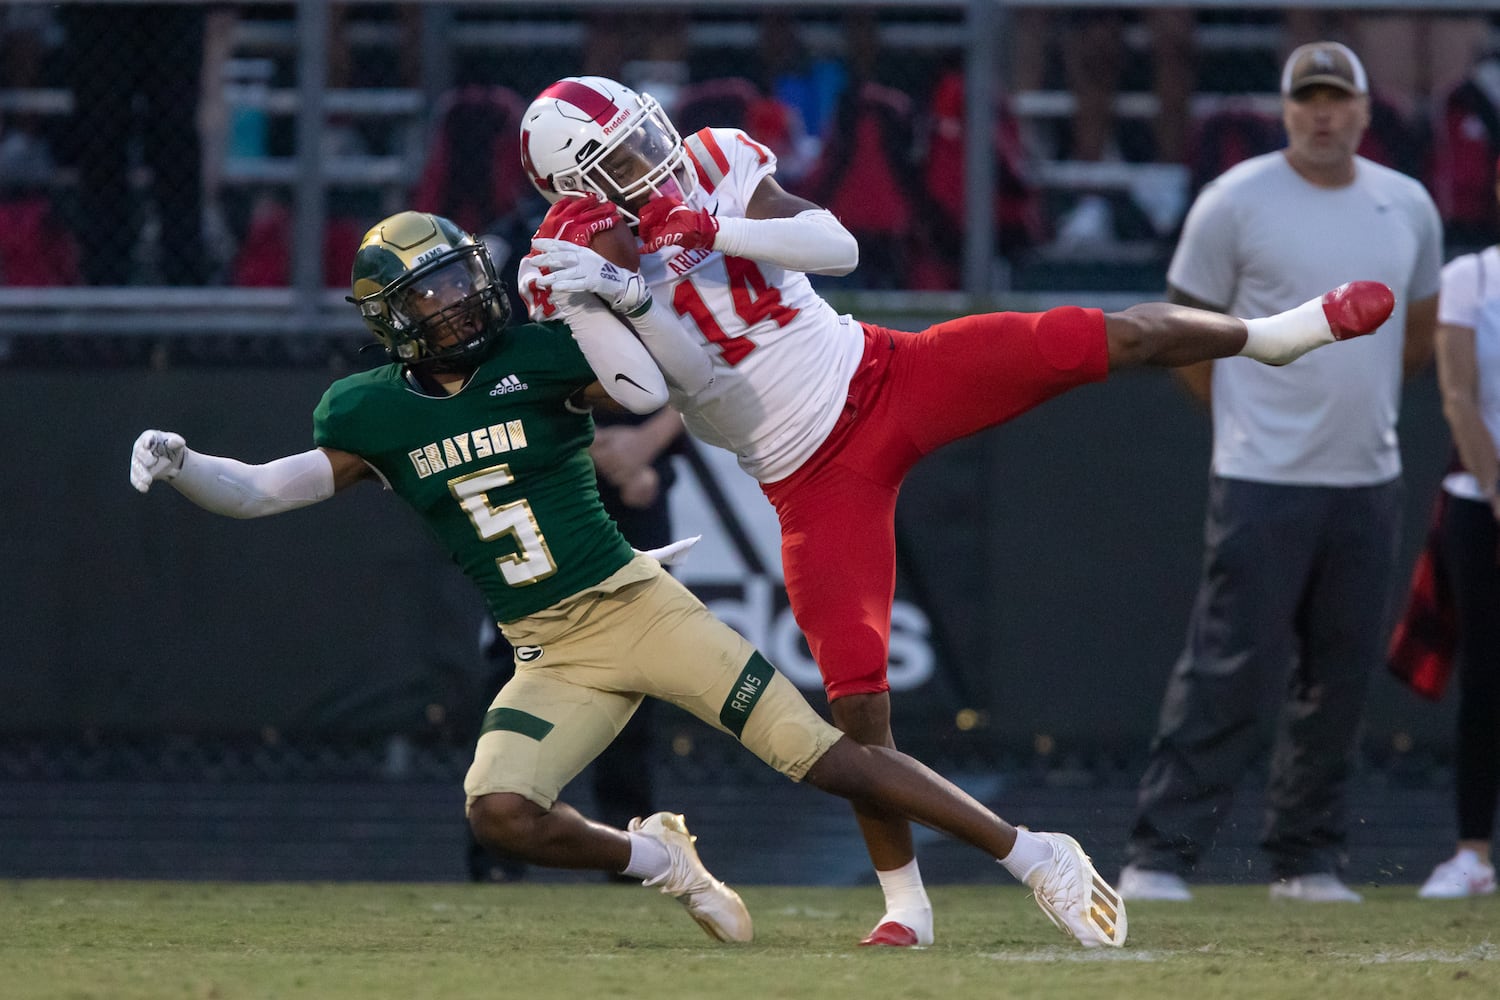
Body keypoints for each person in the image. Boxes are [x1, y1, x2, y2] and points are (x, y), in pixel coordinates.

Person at [515, 74, 1397, 946]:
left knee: (1098, 335)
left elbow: (837, 246)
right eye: (619, 154)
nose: (650, 155)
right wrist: (616, 292)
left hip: (885, 374)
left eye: (643, 131)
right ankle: (906, 904)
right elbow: (671, 389)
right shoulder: (575, 265)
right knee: (857, 714)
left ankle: (1277, 337)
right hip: (808, 479)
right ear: (574, 185)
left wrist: (716, 226)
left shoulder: (713, 159)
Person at [129, 207, 1130, 950]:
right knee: (499, 812)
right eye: (428, 293)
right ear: (391, 319)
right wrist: (185, 467)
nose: (458, 300)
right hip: (547, 650)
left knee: (822, 757)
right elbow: (264, 491)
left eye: (459, 277)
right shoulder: (368, 412)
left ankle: (1033, 851)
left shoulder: (540, 352)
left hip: (637, 606)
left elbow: (673, 385)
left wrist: (627, 303)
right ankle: (660, 859)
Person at [1114, 41, 1442, 904]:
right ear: (1285, 109)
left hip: (1367, 478)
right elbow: (1182, 328)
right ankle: (1159, 857)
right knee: (1229, 668)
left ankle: (1307, 859)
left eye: (1338, 100)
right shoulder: (1235, 201)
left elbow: (1418, 333)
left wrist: (1354, 407)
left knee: (1338, 677)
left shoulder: (1406, 205)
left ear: (1368, 112)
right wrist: (1239, 420)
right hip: (1262, 476)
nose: (1324, 115)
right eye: (1309, 100)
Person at [469, 405, 684, 883]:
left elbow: (705, 372)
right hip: (533, 496)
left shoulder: (661, 326)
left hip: (637, 493)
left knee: (636, 664)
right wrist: (596, 450)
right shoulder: (514, 327)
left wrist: (644, 444)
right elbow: (495, 391)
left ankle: (632, 849)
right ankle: (498, 847)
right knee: (520, 659)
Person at [1412, 161, 1500, 900]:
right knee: (1489, 677)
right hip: (1482, 503)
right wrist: (1498, 484)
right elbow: (1457, 393)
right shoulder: (1471, 276)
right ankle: (1473, 852)